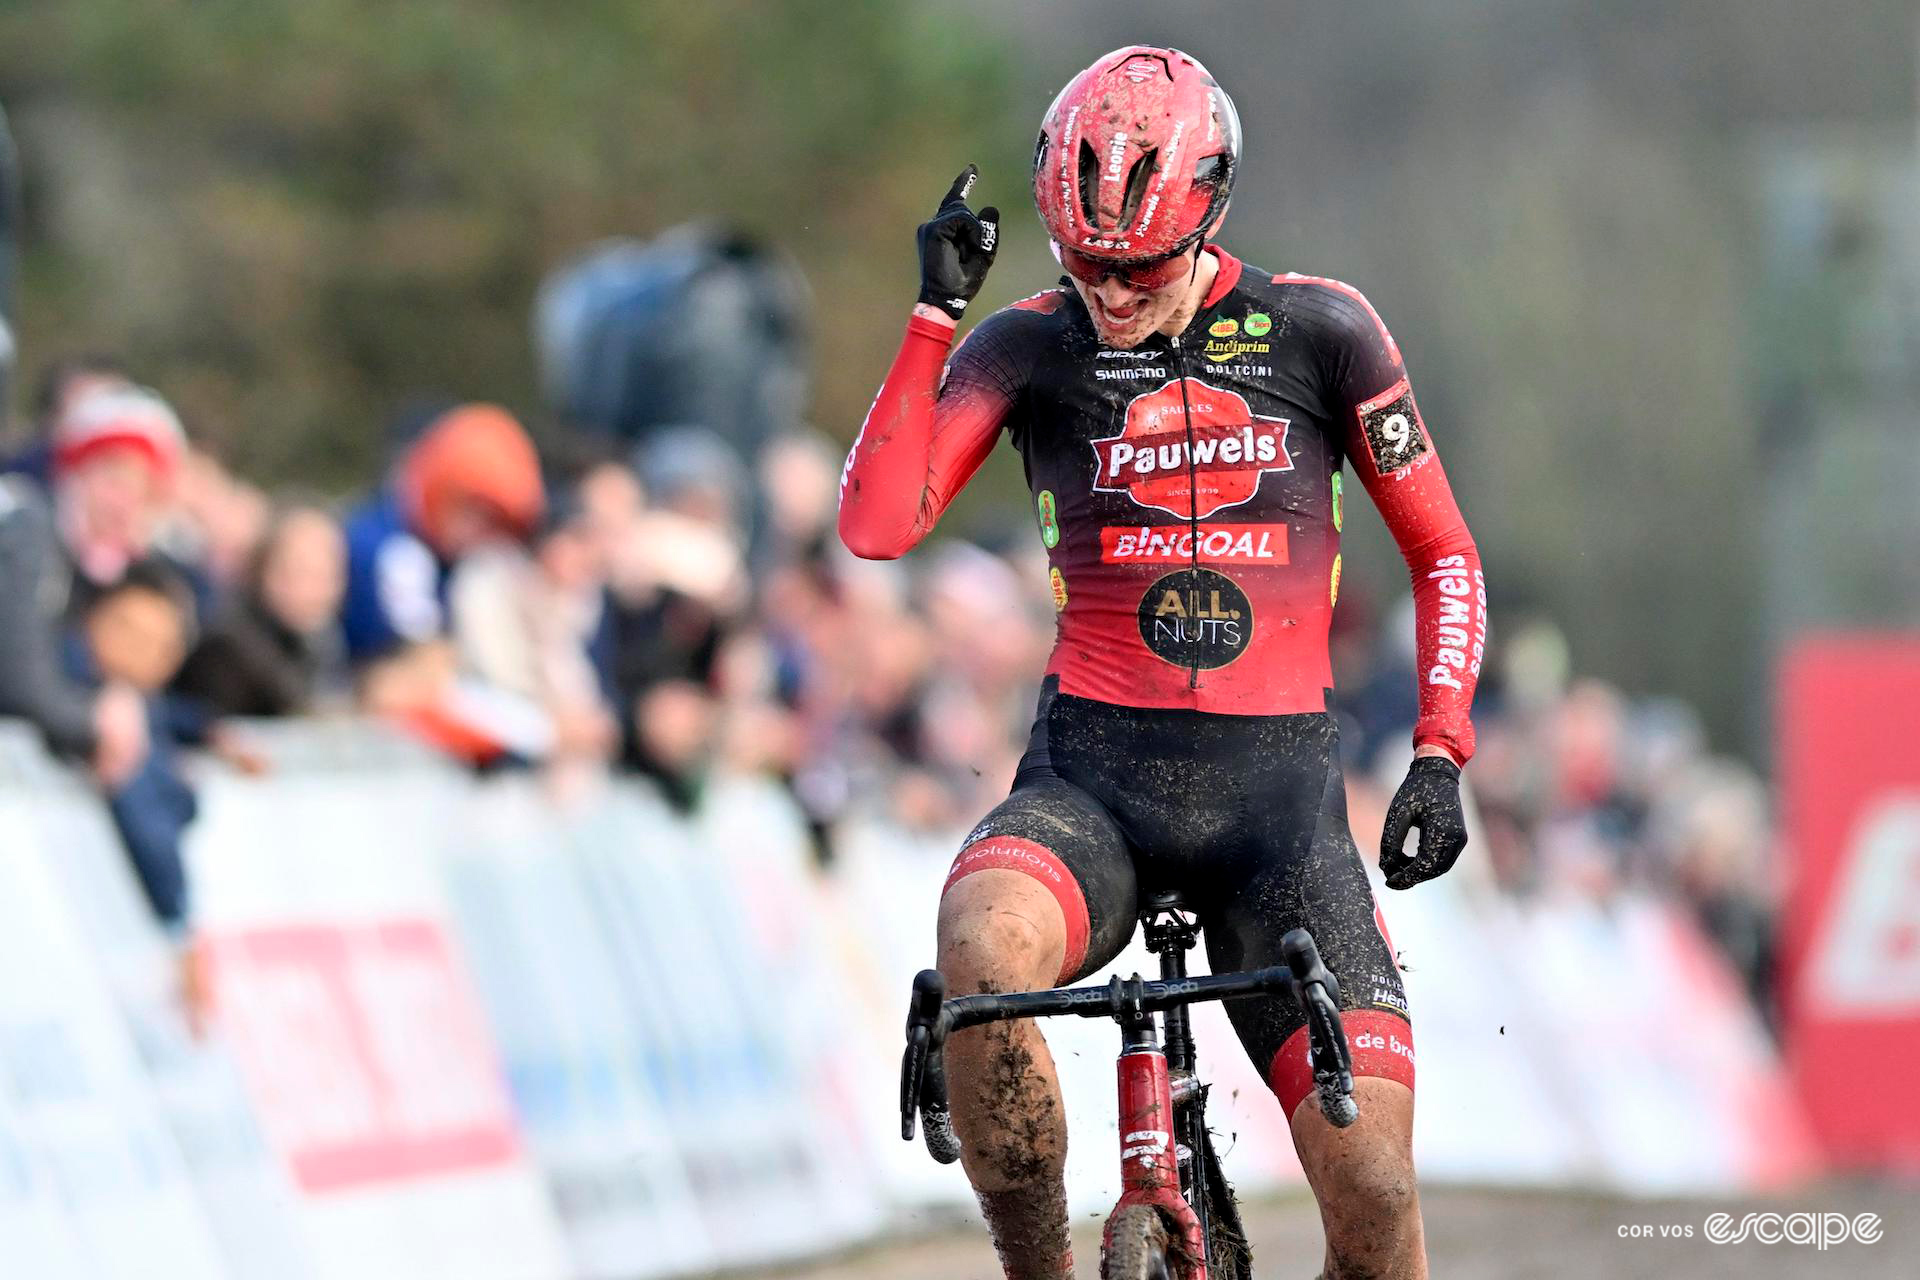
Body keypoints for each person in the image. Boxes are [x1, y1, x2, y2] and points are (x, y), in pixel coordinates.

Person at [837, 47, 1486, 1280]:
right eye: (1082, 264)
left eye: (1133, 268)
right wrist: (935, 318)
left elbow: (1445, 554)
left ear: (1210, 213)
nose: (1108, 293)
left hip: (1279, 820)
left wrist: (1441, 750)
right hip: (1095, 788)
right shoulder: (1032, 343)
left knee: (1378, 1193)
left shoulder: (1322, 330)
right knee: (976, 941)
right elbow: (876, 526)